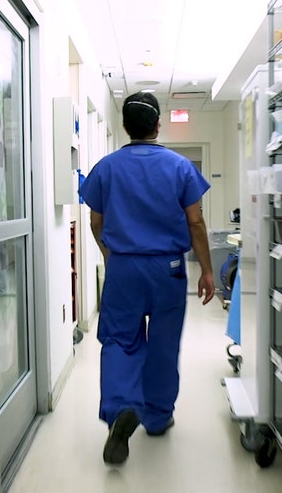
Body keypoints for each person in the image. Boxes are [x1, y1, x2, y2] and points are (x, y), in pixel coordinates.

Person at [79, 92, 216, 466]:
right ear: (158, 125)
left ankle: (121, 406)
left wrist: (110, 255)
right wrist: (207, 270)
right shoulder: (180, 167)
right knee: (163, 343)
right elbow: (196, 222)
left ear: (125, 126)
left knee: (119, 340)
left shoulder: (106, 167)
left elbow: (95, 221)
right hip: (167, 269)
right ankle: (156, 417)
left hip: (124, 267)